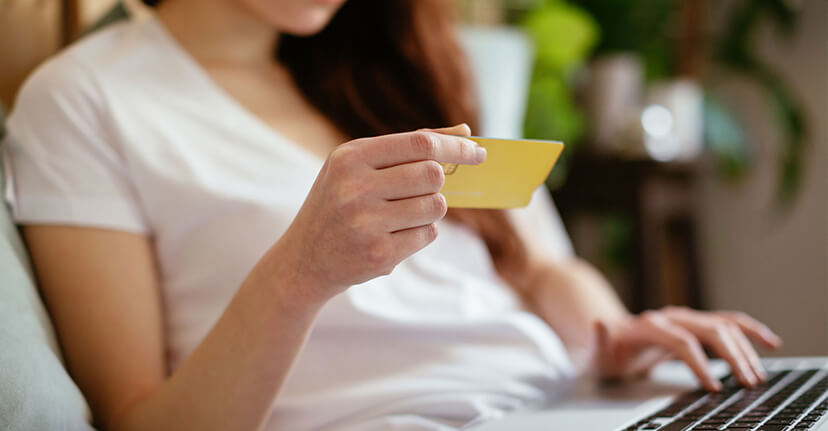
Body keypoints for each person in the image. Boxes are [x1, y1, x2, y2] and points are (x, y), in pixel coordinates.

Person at [1, 0, 782, 429]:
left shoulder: (390, 74)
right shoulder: (85, 99)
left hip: (575, 405)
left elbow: (539, 263)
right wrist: (299, 274)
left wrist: (612, 335)